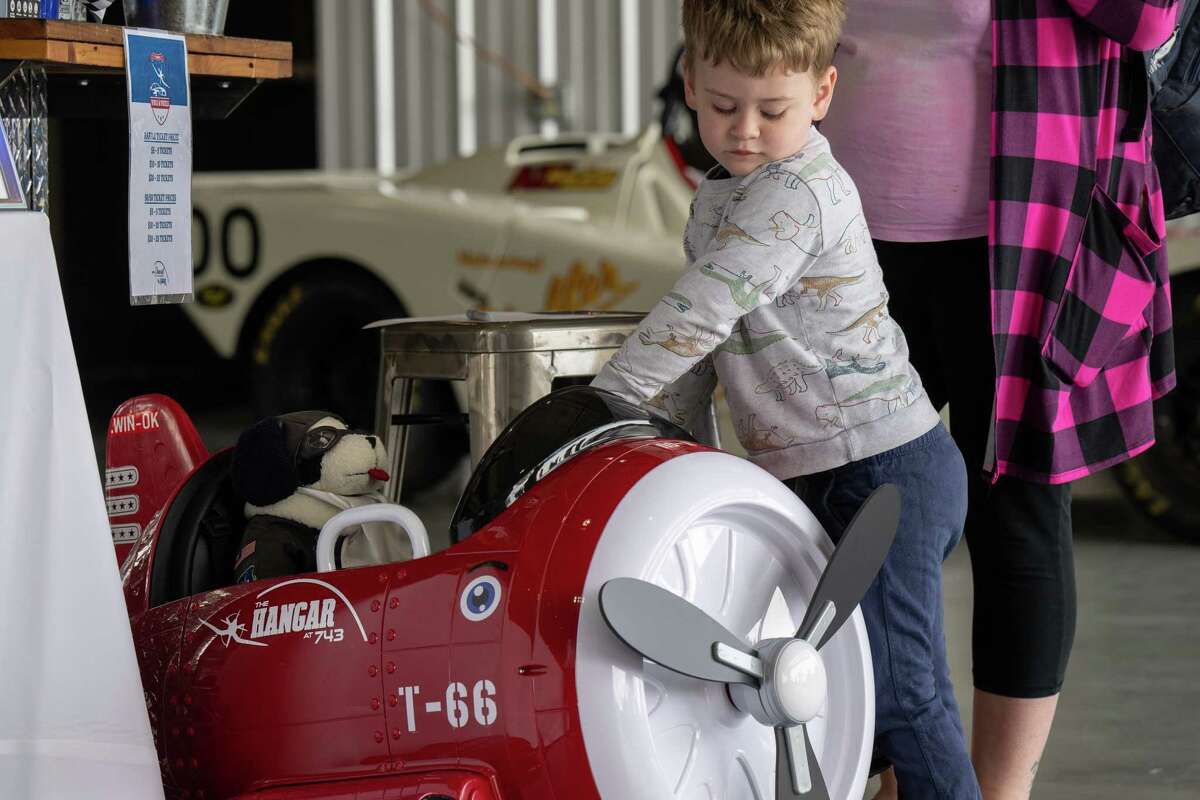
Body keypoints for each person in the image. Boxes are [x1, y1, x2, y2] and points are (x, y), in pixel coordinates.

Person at [591, 1, 979, 797]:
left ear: (824, 91)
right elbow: (713, 348)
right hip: (807, 472)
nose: (745, 131)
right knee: (825, 690)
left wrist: (605, 402)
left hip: (885, 471)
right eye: (726, 107)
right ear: (691, 83)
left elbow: (704, 307)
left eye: (774, 111)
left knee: (905, 695)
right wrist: (673, 446)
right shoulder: (721, 192)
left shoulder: (792, 193)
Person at [820, 0, 1181, 797]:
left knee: (1015, 514)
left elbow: (1153, 17)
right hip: (841, 248)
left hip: (1026, 237)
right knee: (847, 519)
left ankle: (1000, 787)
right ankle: (891, 772)